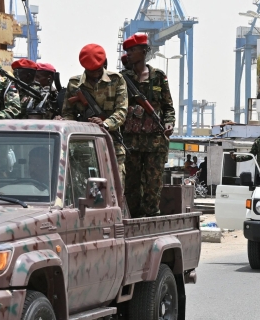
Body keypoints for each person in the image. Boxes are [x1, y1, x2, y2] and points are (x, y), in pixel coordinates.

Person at [118, 33, 176, 217]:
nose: (128, 54)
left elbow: (168, 107)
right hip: (131, 142)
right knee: (131, 186)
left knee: (153, 185)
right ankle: (134, 220)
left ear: (143, 52)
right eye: (127, 51)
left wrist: (169, 123)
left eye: (132, 50)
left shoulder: (158, 77)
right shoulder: (122, 79)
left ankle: (150, 219)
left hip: (155, 142)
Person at [62, 43, 129, 182]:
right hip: (82, 147)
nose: (95, 75)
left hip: (111, 144)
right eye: (90, 71)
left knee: (115, 189)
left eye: (97, 70)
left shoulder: (116, 80)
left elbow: (122, 110)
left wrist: (105, 124)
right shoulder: (74, 84)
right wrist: (79, 126)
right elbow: (68, 113)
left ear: (103, 64)